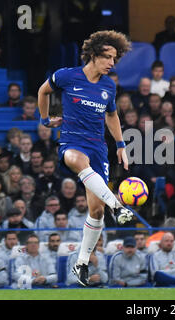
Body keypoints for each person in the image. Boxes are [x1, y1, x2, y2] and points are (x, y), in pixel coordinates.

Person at [37, 30, 135, 286]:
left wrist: (121, 145)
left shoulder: (108, 86)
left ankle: (81, 263)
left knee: (96, 211)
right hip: (72, 142)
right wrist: (46, 120)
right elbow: (42, 91)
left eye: (115, 59)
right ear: (94, 55)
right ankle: (119, 206)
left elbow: (111, 116)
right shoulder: (67, 76)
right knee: (78, 161)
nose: (112, 63)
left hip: (98, 147)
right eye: (108, 57)